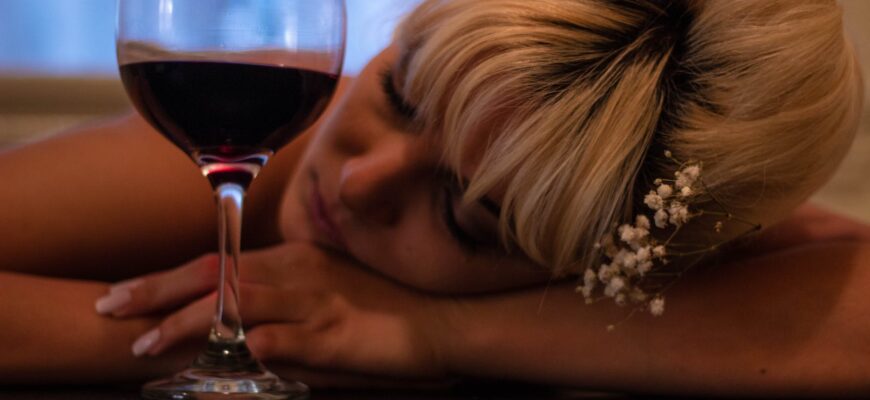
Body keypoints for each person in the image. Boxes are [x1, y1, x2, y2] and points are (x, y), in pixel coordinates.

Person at [1, 0, 868, 395]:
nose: (357, 179)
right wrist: (237, 341)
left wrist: (432, 331)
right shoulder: (261, 132)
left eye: (463, 216)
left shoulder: (636, 219)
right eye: (398, 95)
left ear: (600, 273)